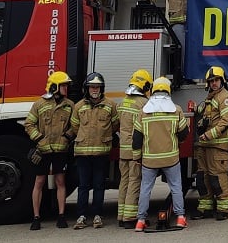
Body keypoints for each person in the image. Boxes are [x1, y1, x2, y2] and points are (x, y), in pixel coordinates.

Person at [133, 76, 190, 231]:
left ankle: (140, 220)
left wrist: (137, 157)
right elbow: (185, 132)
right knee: (176, 187)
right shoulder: (176, 110)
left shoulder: (143, 112)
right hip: (171, 158)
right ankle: (180, 218)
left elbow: (136, 138)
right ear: (168, 90)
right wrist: (177, 142)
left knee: (145, 189)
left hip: (149, 160)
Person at [24, 70, 75, 230]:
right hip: (43, 150)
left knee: (60, 182)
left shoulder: (69, 105)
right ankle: (36, 217)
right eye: (63, 86)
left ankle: (61, 216)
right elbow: (29, 124)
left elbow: (75, 125)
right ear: (54, 87)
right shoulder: (39, 104)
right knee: (39, 182)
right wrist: (39, 138)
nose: (66, 89)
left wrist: (67, 137)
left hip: (60, 151)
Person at [68, 72, 120, 229]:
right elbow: (75, 126)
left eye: (97, 87)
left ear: (102, 89)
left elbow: (115, 125)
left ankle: (97, 215)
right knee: (83, 186)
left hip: (101, 152)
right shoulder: (78, 106)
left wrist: (103, 137)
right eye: (92, 87)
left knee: (99, 185)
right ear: (87, 89)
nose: (95, 90)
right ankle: (81, 216)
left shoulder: (110, 105)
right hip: (83, 153)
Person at [191, 65, 228, 221]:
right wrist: (196, 109)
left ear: (222, 80)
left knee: (217, 178)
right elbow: (205, 114)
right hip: (204, 145)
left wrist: (208, 135)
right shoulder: (210, 97)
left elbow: (225, 121)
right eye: (211, 81)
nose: (213, 83)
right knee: (203, 178)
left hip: (217, 146)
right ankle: (205, 208)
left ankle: (223, 209)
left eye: (216, 80)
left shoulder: (225, 97)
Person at [117, 69, 153, 228]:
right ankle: (130, 217)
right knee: (134, 182)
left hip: (123, 150)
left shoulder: (123, 102)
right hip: (134, 151)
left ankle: (121, 215)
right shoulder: (144, 104)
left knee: (124, 181)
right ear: (145, 85)